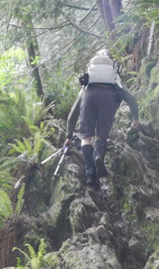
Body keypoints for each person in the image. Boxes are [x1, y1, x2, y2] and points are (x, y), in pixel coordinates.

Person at [64, 49, 139, 187]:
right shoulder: (114, 78)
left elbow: (74, 111)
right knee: (101, 136)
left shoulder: (87, 84)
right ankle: (98, 155)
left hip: (89, 98)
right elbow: (132, 98)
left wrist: (69, 135)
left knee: (86, 138)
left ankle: (90, 175)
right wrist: (135, 118)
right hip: (108, 98)